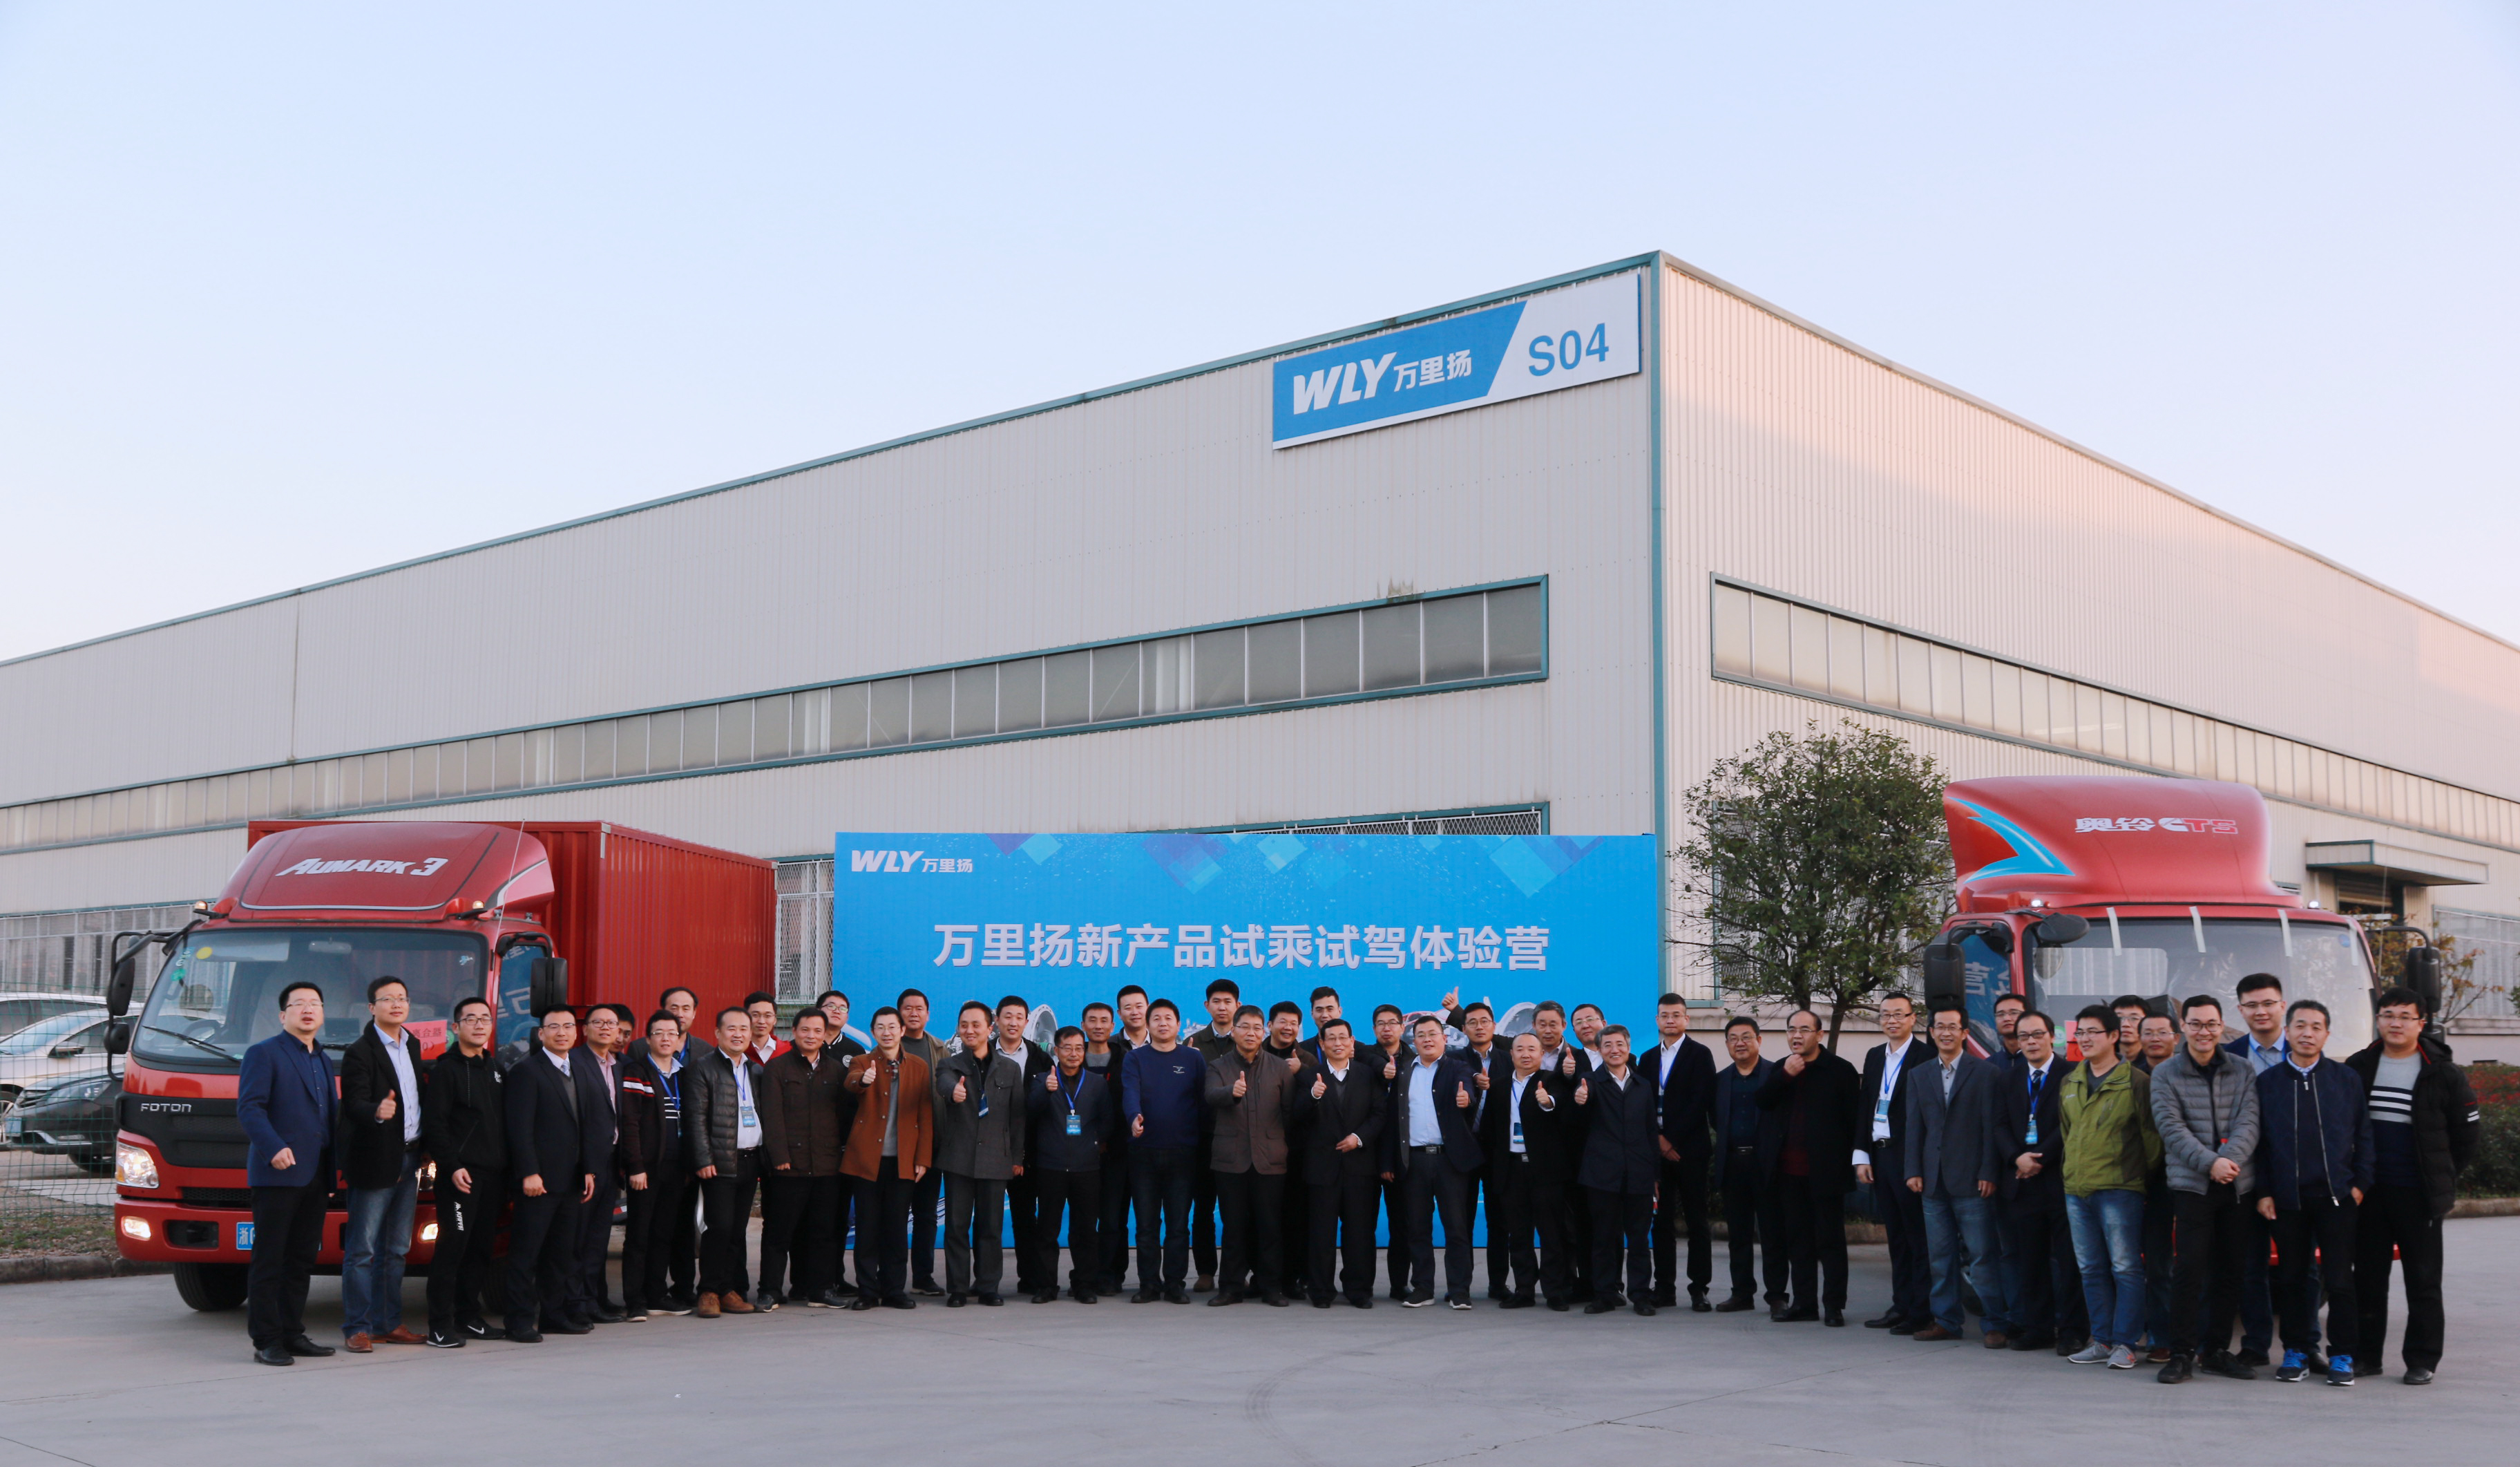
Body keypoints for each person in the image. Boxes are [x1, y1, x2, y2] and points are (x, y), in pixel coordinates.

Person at [2347, 985, 2481, 1385]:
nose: (2396, 1023)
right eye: (2389, 1015)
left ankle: (2422, 1359)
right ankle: (2366, 1356)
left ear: (2422, 1024)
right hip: (2369, 1192)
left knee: (2422, 1281)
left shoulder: (2443, 1073)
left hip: (2418, 1195)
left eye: (2406, 1017)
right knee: (2367, 1279)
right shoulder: (2359, 1066)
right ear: (2378, 1020)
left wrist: (2442, 1177)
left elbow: (2466, 1136)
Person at [2253, 998, 2371, 1385]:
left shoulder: (2345, 1079)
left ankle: (2343, 1355)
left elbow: (2364, 1135)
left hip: (2337, 1198)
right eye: (2300, 1026)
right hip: (2288, 1200)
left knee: (2339, 1281)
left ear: (2326, 1034)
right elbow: (2260, 1145)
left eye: (2316, 1027)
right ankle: (2296, 1350)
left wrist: (2360, 1184)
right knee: (2292, 1279)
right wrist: (2264, 1191)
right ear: (2287, 1032)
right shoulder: (2267, 1083)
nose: (2308, 1033)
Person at [2150, 992, 2262, 1383]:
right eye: (2195, 1024)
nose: (2204, 1031)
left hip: (2237, 1184)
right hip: (2192, 1186)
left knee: (2230, 1271)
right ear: (2183, 1027)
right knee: (2189, 1270)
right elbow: (2170, 1127)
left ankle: (2215, 1351)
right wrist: (2210, 1163)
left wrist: (2228, 1162)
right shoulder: (2166, 1073)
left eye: (2211, 1024)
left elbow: (2250, 1121)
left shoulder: (2242, 1070)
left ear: (2222, 1026)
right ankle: (2181, 1353)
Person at [237, 981, 339, 1367]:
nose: (308, 1009)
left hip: (315, 1174)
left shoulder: (322, 1059)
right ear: (283, 1015)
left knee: (301, 1260)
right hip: (278, 1173)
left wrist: (331, 1172)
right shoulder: (264, 1053)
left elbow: (327, 1118)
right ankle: (266, 1339)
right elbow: (250, 1108)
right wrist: (273, 1147)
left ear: (323, 1013)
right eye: (299, 1004)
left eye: (315, 1003)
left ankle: (293, 1333)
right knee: (270, 1259)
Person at [2056, 1004, 2160, 1370]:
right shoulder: (2070, 1081)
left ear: (2114, 1036)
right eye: (2080, 1033)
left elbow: (2151, 1141)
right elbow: (2068, 1134)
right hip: (2077, 1189)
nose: (2084, 1039)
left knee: (2126, 1268)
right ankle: (2100, 1339)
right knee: (2090, 1268)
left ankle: (2125, 1343)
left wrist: (2132, 1177)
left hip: (2120, 1189)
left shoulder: (2136, 1082)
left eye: (2092, 1032)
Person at [1905, 997, 2010, 1344]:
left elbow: (1991, 1128)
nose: (1946, 1033)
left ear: (1965, 1032)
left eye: (1953, 1027)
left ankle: (1995, 1323)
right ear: (1931, 1032)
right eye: (1940, 1027)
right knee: (1940, 1257)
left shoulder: (1986, 1073)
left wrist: (1989, 1172)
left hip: (1973, 1180)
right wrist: (1913, 1169)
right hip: (1932, 1181)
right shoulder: (1919, 1075)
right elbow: (1914, 1127)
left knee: (1982, 1257)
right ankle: (1946, 1321)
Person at [503, 1005, 608, 1342]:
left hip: (572, 1179)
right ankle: (519, 1322)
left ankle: (554, 1316)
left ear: (576, 1032)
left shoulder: (580, 1069)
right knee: (526, 1254)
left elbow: (586, 1124)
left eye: (567, 1026)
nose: (561, 1032)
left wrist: (588, 1169)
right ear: (541, 1033)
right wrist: (529, 1173)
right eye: (554, 1027)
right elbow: (519, 1129)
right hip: (539, 1182)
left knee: (561, 1254)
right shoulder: (527, 1071)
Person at [336, 975, 428, 1352]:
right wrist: (376, 1111)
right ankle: (357, 1328)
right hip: (374, 1161)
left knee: (396, 1249)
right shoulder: (359, 1052)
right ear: (371, 1007)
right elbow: (352, 1103)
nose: (396, 1004)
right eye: (388, 999)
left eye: (402, 998)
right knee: (362, 1251)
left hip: (410, 1157)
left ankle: (387, 1323)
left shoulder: (413, 1044)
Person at [1756, 1009, 1864, 1326]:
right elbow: (1763, 1101)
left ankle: (1834, 1306)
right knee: (1798, 1241)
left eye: (1804, 1029)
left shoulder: (1840, 1070)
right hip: (1788, 1173)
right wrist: (1785, 1075)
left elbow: (1854, 1121)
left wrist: (1852, 1162)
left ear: (1819, 1034)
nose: (1797, 1035)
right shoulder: (1781, 1068)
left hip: (1826, 1172)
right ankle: (1804, 1304)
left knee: (1830, 1242)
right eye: (1792, 1029)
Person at [1996, 1010, 2087, 1354]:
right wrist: (2016, 1158)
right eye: (2024, 1037)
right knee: (2030, 1261)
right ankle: (2038, 1328)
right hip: (2022, 1183)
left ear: (2052, 1036)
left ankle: (2073, 1330)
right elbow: (1998, 1125)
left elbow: (2072, 1124)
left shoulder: (2072, 1074)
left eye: (2037, 1034)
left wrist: (2039, 1159)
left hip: (2061, 1180)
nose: (2031, 1042)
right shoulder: (2008, 1078)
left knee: (2069, 1261)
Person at [420, 995, 506, 1346]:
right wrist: (452, 1166)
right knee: (452, 1249)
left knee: (481, 1250)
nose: (479, 1024)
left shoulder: (496, 1069)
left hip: (493, 1177)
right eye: (471, 1019)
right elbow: (435, 1125)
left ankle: (468, 1317)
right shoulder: (445, 1070)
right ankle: (440, 1325)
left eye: (485, 1019)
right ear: (456, 1028)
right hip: (461, 1177)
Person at [2222, 971, 2296, 1370]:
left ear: (2283, 1005)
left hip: (2294, 1175)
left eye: (2268, 1003)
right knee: (2252, 1267)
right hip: (2246, 1176)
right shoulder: (2229, 1055)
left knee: (2301, 1269)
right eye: (2252, 1005)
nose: (2261, 1011)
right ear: (2240, 1010)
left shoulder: (2303, 1047)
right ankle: (2255, 1345)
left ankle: (2303, 1346)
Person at [1205, 1004, 1303, 1306]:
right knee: (1233, 1227)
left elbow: (1289, 1112)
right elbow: (1210, 1096)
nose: (1251, 1033)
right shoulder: (1218, 1067)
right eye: (1244, 1027)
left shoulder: (1279, 1068)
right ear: (1233, 1031)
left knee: (1269, 1226)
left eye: (1257, 1028)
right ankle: (1230, 1288)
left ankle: (1270, 1287)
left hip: (1270, 1160)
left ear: (1265, 1031)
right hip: (1230, 1160)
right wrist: (1231, 1092)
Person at [1386, 1014, 1485, 1309]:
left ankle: (1459, 1291)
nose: (1427, 1040)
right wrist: (1388, 1162)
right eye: (1421, 1035)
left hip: (1449, 1161)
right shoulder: (1404, 1072)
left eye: (1433, 1034)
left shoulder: (1458, 1067)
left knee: (1456, 1228)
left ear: (1444, 1038)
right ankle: (1423, 1288)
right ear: (1413, 1041)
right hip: (1414, 1161)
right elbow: (1392, 1121)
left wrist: (1467, 1100)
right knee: (1417, 1228)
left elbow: (1469, 1089)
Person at [935, 1000, 1027, 1307]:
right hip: (958, 1159)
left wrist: (1016, 1158)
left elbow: (1017, 1118)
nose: (970, 1030)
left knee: (990, 1228)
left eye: (976, 1025)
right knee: (956, 1227)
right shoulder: (949, 1064)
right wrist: (954, 1091)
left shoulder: (1010, 1068)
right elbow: (944, 1084)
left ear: (991, 1028)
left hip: (996, 1160)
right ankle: (958, 1289)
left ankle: (988, 1287)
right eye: (964, 1025)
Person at [841, 1006, 933, 1309]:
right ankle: (868, 1291)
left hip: (903, 1161)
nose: (887, 1032)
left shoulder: (919, 1066)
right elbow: (852, 1082)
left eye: (892, 1026)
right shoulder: (862, 1061)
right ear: (873, 1031)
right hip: (867, 1161)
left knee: (896, 1229)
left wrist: (923, 1158)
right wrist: (865, 1080)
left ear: (902, 1030)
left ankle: (894, 1290)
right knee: (867, 1229)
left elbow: (925, 1114)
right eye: (880, 1027)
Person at [761, 1007, 851, 1309]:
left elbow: (842, 1117)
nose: (811, 1036)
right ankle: (770, 1291)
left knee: (823, 1233)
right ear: (794, 1032)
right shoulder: (777, 1068)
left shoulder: (836, 1070)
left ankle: (820, 1290)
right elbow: (771, 1116)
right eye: (805, 1030)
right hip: (789, 1165)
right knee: (779, 1233)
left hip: (826, 1166)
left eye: (817, 1031)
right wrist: (779, 1155)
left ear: (825, 1035)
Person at [1295, 1016, 1386, 1308]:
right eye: (1331, 1038)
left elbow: (1379, 1114)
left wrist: (1359, 1138)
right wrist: (1313, 1097)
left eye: (1342, 1038)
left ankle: (1359, 1291)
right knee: (1321, 1234)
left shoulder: (1367, 1075)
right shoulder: (1308, 1077)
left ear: (1352, 1042)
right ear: (1322, 1044)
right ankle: (1321, 1291)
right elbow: (1295, 1117)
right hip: (1321, 1169)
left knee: (1360, 1233)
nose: (1337, 1043)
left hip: (1360, 1167)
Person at [1855, 992, 1931, 1332]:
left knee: (1918, 1238)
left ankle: (1921, 1311)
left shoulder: (1925, 1056)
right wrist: (1861, 1155)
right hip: (1880, 1154)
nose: (1892, 1020)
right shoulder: (1874, 1056)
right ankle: (1900, 1305)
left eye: (1899, 1014)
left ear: (1913, 1018)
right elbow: (1865, 1106)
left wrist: (1917, 1164)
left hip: (1909, 1157)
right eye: (1886, 1014)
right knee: (1896, 1238)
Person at [1123, 997, 1206, 1303]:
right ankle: (1149, 1284)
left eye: (1168, 1018)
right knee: (1146, 1225)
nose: (1162, 1023)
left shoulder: (1193, 1058)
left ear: (1178, 1024)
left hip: (1183, 1153)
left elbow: (1203, 1101)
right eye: (1156, 1018)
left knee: (1178, 1225)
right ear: (1148, 1024)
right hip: (1143, 1152)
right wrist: (1134, 1117)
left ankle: (1174, 1284)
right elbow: (1130, 1092)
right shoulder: (1135, 1058)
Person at [687, 1005, 768, 1318]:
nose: (738, 1034)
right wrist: (703, 1158)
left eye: (744, 1029)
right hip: (719, 1162)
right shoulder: (703, 1068)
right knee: (718, 1228)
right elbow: (695, 1118)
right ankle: (708, 1291)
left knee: (737, 1230)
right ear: (718, 1033)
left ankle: (728, 1290)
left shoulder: (755, 1070)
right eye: (731, 1028)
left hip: (750, 1159)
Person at [1572, 1023, 1657, 1315]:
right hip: (1601, 1174)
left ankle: (1641, 1295)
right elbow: (1580, 1115)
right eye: (1607, 1045)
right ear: (1599, 1049)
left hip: (1639, 1174)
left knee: (1639, 1239)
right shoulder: (1589, 1082)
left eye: (1619, 1044)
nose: (1614, 1050)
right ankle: (1605, 1294)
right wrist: (1580, 1100)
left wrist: (1655, 1175)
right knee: (1604, 1238)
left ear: (1628, 1048)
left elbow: (1650, 1131)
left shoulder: (1643, 1085)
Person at [616, 1010, 693, 1321]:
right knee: (639, 1235)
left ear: (679, 1039)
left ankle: (656, 1295)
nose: (665, 1038)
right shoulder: (637, 1072)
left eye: (672, 1034)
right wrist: (635, 1166)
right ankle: (634, 1300)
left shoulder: (684, 1074)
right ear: (648, 1039)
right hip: (646, 1169)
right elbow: (630, 1122)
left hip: (677, 1167)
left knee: (664, 1234)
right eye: (658, 1033)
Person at [1489, 1032, 1573, 1309]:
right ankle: (1524, 1289)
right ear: (1511, 1054)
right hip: (1511, 1168)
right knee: (1518, 1234)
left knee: (1551, 1233)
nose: (1526, 1054)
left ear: (1541, 1054)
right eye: (1520, 1049)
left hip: (1546, 1171)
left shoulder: (1553, 1080)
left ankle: (1555, 1291)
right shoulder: (1499, 1086)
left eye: (1532, 1049)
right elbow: (1491, 1131)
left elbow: (1562, 1108)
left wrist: (1548, 1102)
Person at [1028, 1025, 1111, 1302]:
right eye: (1067, 1048)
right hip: (1050, 1167)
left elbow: (1107, 1120)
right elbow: (1029, 1112)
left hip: (1086, 1168)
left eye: (1078, 1048)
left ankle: (1084, 1284)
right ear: (1056, 1050)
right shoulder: (1043, 1079)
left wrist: (1094, 1145)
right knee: (1047, 1229)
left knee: (1085, 1230)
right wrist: (1046, 1091)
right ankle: (1046, 1286)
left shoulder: (1097, 1083)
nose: (1073, 1054)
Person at [1643, 993, 1715, 1311]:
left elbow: (1701, 1101)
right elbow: (1643, 1104)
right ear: (1657, 1020)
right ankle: (1664, 1288)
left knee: (1697, 1221)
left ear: (1686, 1019)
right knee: (1661, 1223)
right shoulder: (1647, 1059)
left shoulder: (1700, 1054)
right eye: (1664, 1015)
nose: (1670, 1020)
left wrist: (1670, 1140)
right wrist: (1658, 1141)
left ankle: (1699, 1289)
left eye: (1676, 1015)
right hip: (1657, 1153)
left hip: (1690, 1152)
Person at [1712, 1016, 1782, 1314]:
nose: (1740, 1043)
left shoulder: (1775, 1075)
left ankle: (1777, 1296)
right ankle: (1742, 1294)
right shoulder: (1720, 1080)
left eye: (1746, 1037)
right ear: (1727, 1044)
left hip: (1767, 1165)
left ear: (1759, 1040)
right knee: (1738, 1236)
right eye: (1733, 1038)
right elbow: (1715, 1120)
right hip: (1733, 1165)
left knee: (1773, 1235)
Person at [566, 1002, 629, 1326]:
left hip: (611, 1162)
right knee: (577, 1239)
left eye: (611, 1023)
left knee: (598, 1238)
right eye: (598, 1022)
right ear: (585, 1029)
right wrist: (585, 1166)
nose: (605, 1028)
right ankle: (575, 1303)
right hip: (584, 1165)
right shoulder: (574, 1062)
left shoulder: (619, 1065)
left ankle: (593, 1300)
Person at [990, 994, 1053, 1296]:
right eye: (1008, 1016)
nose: (1013, 1022)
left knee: (1026, 1217)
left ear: (1027, 1022)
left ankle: (1030, 1278)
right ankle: (985, 1282)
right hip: (989, 1148)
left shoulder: (1041, 1059)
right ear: (997, 1020)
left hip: (1028, 1151)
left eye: (1019, 1017)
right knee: (988, 1220)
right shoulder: (983, 1054)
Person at [1188, 977, 1241, 1291]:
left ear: (1238, 1005)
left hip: (1240, 1137)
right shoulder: (1193, 1043)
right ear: (1207, 1006)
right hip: (1204, 1138)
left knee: (1238, 1210)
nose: (1222, 1007)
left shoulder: (1249, 1039)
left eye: (1228, 1002)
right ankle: (1206, 1271)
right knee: (1204, 1209)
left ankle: (1239, 1272)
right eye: (1216, 1002)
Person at [895, 987, 948, 1296]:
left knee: (926, 1216)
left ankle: (923, 1277)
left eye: (919, 1009)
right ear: (899, 1013)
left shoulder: (940, 1049)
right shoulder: (889, 1045)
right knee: (895, 1215)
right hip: (896, 1147)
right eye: (908, 1008)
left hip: (932, 1144)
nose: (914, 1013)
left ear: (928, 1014)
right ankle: (892, 1279)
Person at [655, 985, 705, 1314]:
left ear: (695, 1013)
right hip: (657, 1157)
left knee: (687, 1227)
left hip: (692, 1155)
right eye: (674, 1007)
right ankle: (653, 1289)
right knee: (656, 1227)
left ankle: (685, 1288)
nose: (680, 1013)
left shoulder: (705, 1052)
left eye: (686, 1008)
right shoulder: (640, 1050)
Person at [1091, 992, 1142, 1296]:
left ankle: (1155, 1280)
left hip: (1151, 1147)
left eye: (1140, 1006)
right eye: (1128, 1007)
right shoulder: (1110, 1050)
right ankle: (1110, 1274)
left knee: (1150, 1219)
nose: (1134, 1012)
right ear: (1119, 1016)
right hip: (1112, 1150)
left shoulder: (1166, 1047)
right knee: (1112, 1218)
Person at [1364, 1002, 1413, 1301]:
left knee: (1402, 1225)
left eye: (1392, 1023)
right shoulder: (1362, 1057)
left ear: (1402, 1027)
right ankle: (1363, 1286)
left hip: (1401, 1157)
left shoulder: (1415, 1060)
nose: (1387, 1028)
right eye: (1381, 1024)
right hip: (1365, 1155)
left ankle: (1399, 1284)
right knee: (1363, 1226)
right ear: (1374, 1029)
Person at [744, 992, 785, 1067]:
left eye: (768, 1016)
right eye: (755, 1015)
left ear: (775, 1020)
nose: (762, 1021)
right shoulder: (738, 1051)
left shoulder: (787, 1051)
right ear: (745, 1017)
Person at [1992, 992, 2026, 1059]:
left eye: (2014, 1013)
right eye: (2001, 1014)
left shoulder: (2041, 1060)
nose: (2007, 1019)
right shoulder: (1990, 1064)